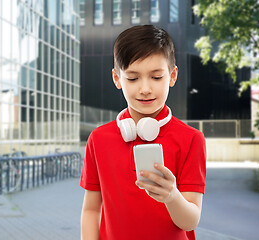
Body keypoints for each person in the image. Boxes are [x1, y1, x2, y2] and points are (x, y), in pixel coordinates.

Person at [80, 25, 206, 240]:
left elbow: (190, 221)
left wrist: (171, 196)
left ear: (173, 76)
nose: (145, 88)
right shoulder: (98, 139)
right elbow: (92, 209)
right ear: (117, 78)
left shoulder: (191, 139)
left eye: (156, 77)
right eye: (132, 78)